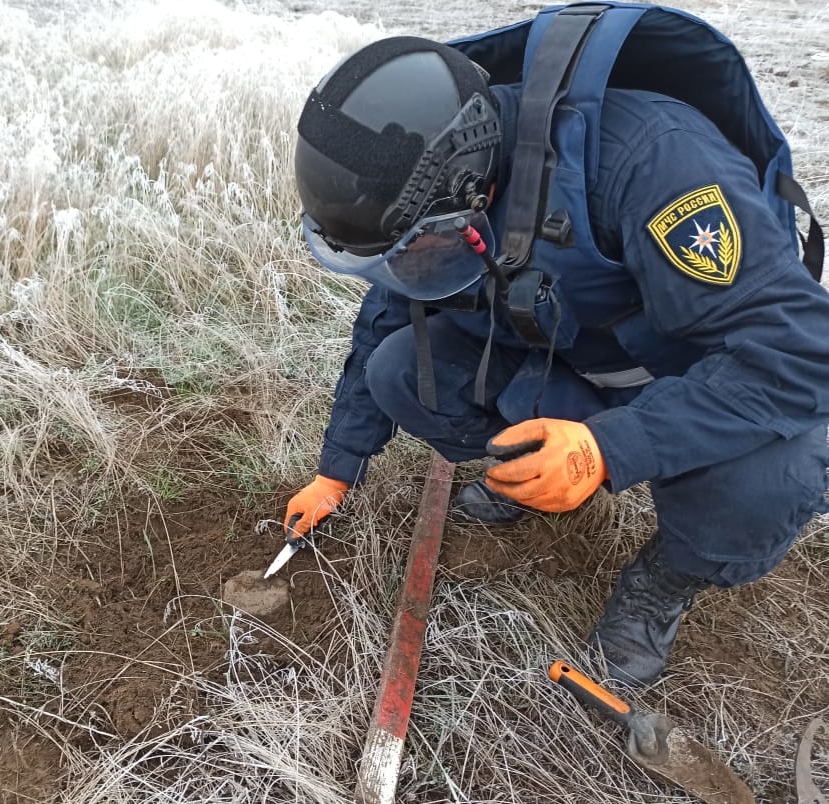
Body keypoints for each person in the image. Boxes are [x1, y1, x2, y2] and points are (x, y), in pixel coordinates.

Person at [282, 2, 829, 687]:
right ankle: (532, 471)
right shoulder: (429, 183)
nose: (406, 268)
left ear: (473, 191)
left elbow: (804, 353)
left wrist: (610, 450)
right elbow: (392, 312)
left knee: (774, 475)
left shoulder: (657, 163)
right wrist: (339, 467)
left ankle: (668, 577)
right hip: (574, 352)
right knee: (403, 369)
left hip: (696, 376)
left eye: (414, 248)